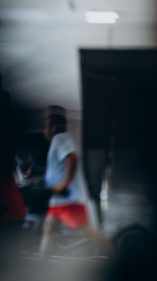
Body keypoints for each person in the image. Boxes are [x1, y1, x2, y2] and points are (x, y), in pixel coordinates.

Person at [39, 106, 114, 259]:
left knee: (85, 231)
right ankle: (41, 262)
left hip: (69, 199)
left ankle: (115, 258)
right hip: (60, 200)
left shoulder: (61, 138)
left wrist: (65, 184)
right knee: (49, 229)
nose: (43, 130)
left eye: (45, 126)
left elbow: (72, 157)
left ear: (52, 127)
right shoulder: (57, 142)